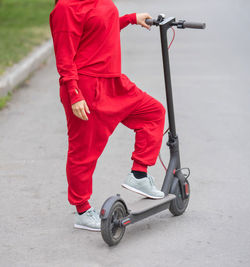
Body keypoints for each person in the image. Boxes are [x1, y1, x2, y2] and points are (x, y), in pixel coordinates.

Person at [50, 0, 166, 232]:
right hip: (86, 86)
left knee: (153, 113)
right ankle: (82, 210)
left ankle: (139, 174)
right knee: (84, 152)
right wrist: (74, 93)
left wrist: (131, 19)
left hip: (114, 81)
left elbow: (102, 29)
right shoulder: (66, 7)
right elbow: (64, 56)